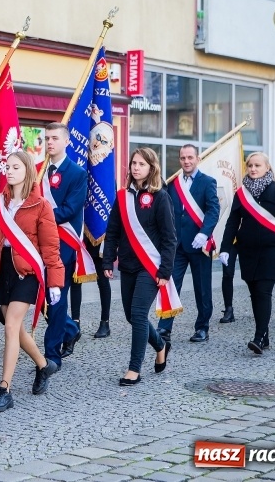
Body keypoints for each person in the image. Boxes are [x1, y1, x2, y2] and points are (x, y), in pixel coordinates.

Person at [0, 151, 64, 411]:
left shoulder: (41, 205)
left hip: (27, 272)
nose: (9, 171)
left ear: (27, 170)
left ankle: (4, 389)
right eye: (7, 167)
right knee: (17, 329)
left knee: (11, 326)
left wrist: (55, 282)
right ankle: (44, 365)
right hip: (2, 270)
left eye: (15, 167)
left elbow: (50, 248)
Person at [103, 148, 174, 386]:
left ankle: (134, 369)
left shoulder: (160, 196)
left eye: (141, 164)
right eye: (133, 163)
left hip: (150, 266)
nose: (136, 167)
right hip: (128, 264)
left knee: (139, 314)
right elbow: (112, 231)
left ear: (151, 168)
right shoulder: (122, 196)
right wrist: (107, 260)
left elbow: (169, 237)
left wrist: (164, 271)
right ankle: (160, 345)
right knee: (131, 316)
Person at [220, 152, 275, 355]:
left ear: (267, 168)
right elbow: (232, 222)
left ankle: (259, 336)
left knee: (263, 291)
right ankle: (265, 335)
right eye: (250, 165)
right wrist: (225, 248)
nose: (253, 169)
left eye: (257, 165)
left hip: (271, 252)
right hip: (248, 251)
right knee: (254, 293)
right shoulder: (241, 193)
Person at [157, 145, 220, 343]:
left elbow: (213, 210)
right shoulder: (172, 183)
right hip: (177, 246)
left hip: (199, 244)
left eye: (190, 157)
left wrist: (204, 233)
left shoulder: (208, 182)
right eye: (183, 158)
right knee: (170, 285)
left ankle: (202, 327)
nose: (186, 161)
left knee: (202, 289)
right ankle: (164, 328)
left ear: (198, 159)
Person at [40, 122, 85, 362]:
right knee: (43, 296)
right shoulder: (38, 171)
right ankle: (70, 329)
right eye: (47, 138)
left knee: (55, 297)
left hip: (63, 243)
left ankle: (51, 354)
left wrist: (37, 217)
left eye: (54, 138)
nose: (49, 142)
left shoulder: (77, 173)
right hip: (39, 243)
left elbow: (69, 210)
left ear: (67, 141)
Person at [70, 237, 112, 338]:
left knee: (102, 281)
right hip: (79, 237)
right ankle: (75, 323)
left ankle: (105, 322)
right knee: (76, 280)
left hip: (97, 236)